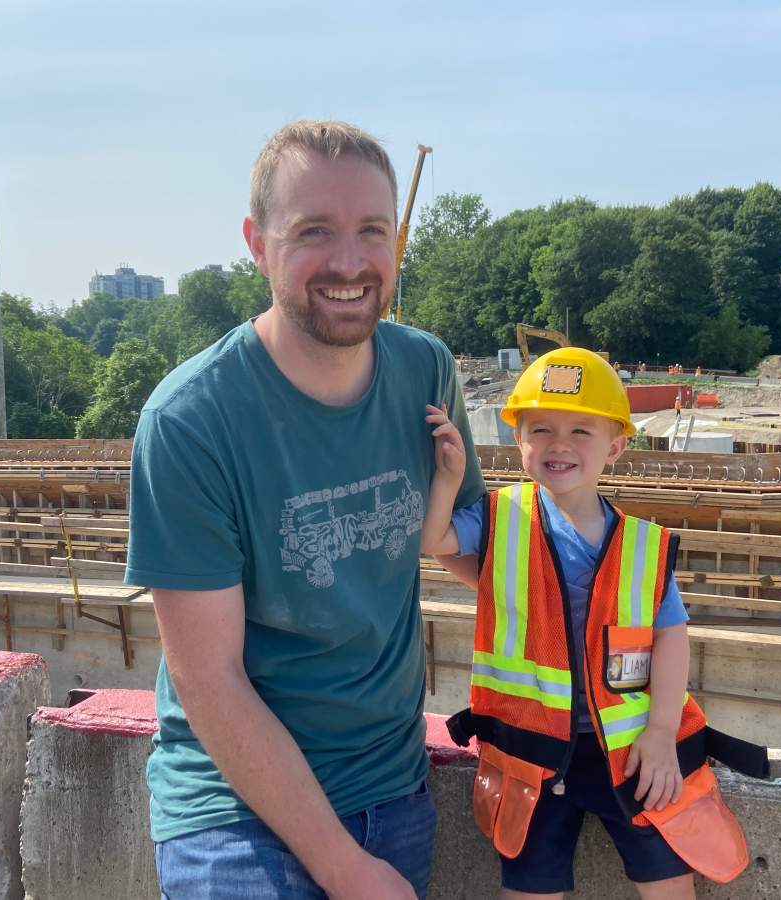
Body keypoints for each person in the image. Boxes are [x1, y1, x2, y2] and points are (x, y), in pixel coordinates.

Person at [125, 120, 486, 900]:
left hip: (391, 787)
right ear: (258, 243)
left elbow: (474, 551)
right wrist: (345, 868)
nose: (350, 262)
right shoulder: (192, 420)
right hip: (233, 809)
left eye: (371, 231)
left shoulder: (425, 369)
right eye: (314, 231)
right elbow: (209, 678)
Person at [422, 348, 765, 900]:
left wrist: (659, 734)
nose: (560, 443)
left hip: (630, 754)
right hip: (530, 757)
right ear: (519, 440)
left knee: (668, 882)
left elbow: (671, 636)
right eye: (541, 428)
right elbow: (433, 540)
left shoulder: (641, 547)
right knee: (530, 886)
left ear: (617, 445)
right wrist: (450, 478)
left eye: (582, 430)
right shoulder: (499, 519)